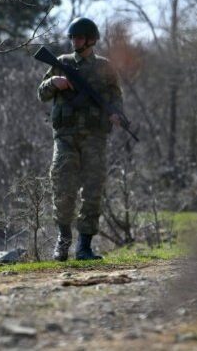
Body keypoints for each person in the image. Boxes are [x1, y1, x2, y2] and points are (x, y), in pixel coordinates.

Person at [37, 17, 124, 261]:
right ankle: (63, 242)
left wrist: (117, 114)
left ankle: (84, 247)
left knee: (93, 191)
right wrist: (53, 82)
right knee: (63, 189)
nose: (75, 41)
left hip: (95, 138)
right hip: (65, 138)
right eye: (73, 37)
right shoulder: (62, 63)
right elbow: (41, 93)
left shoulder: (106, 67)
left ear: (92, 40)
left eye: (80, 37)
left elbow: (116, 97)